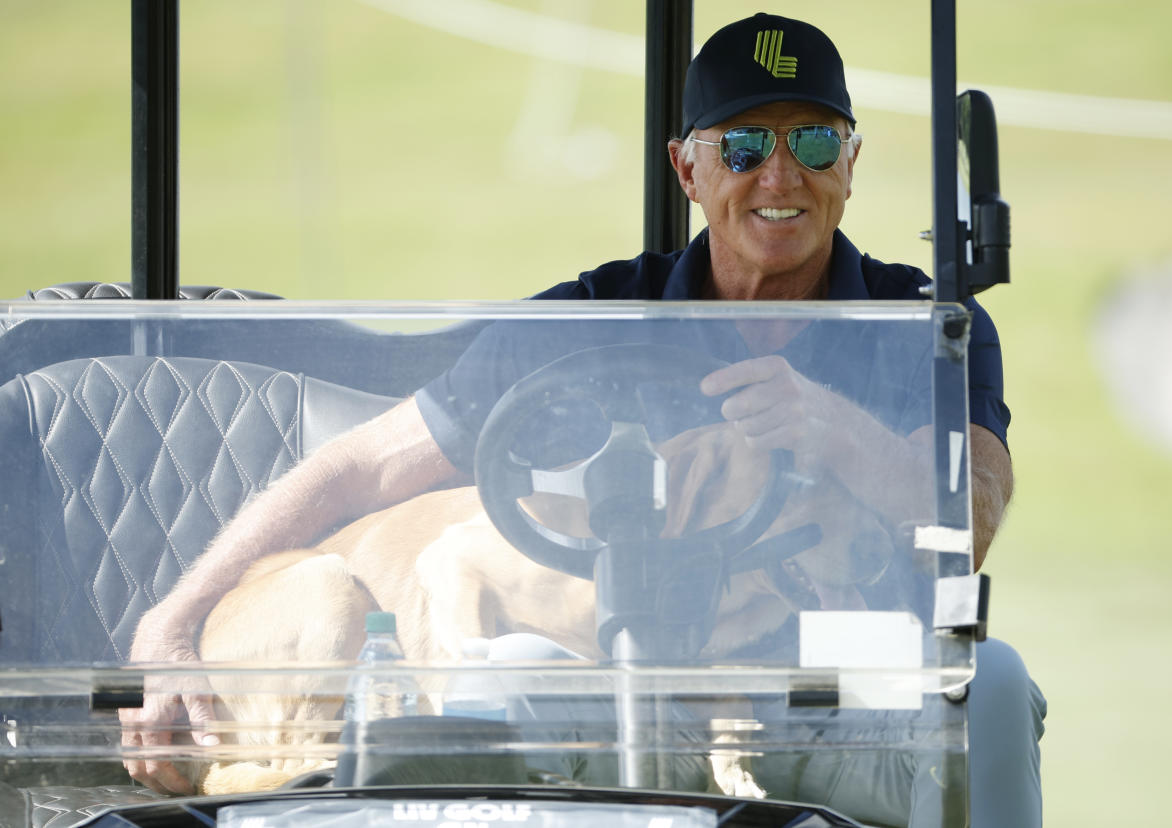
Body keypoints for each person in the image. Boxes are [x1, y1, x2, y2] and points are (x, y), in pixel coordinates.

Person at [122, 13, 1045, 826]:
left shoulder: (924, 324)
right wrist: (169, 626)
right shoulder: (597, 315)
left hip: (832, 690)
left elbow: (969, 523)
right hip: (624, 694)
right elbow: (364, 468)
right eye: (741, 147)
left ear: (849, 163)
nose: (779, 174)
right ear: (687, 168)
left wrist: (835, 430)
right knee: (499, 678)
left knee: (995, 685)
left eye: (811, 142)